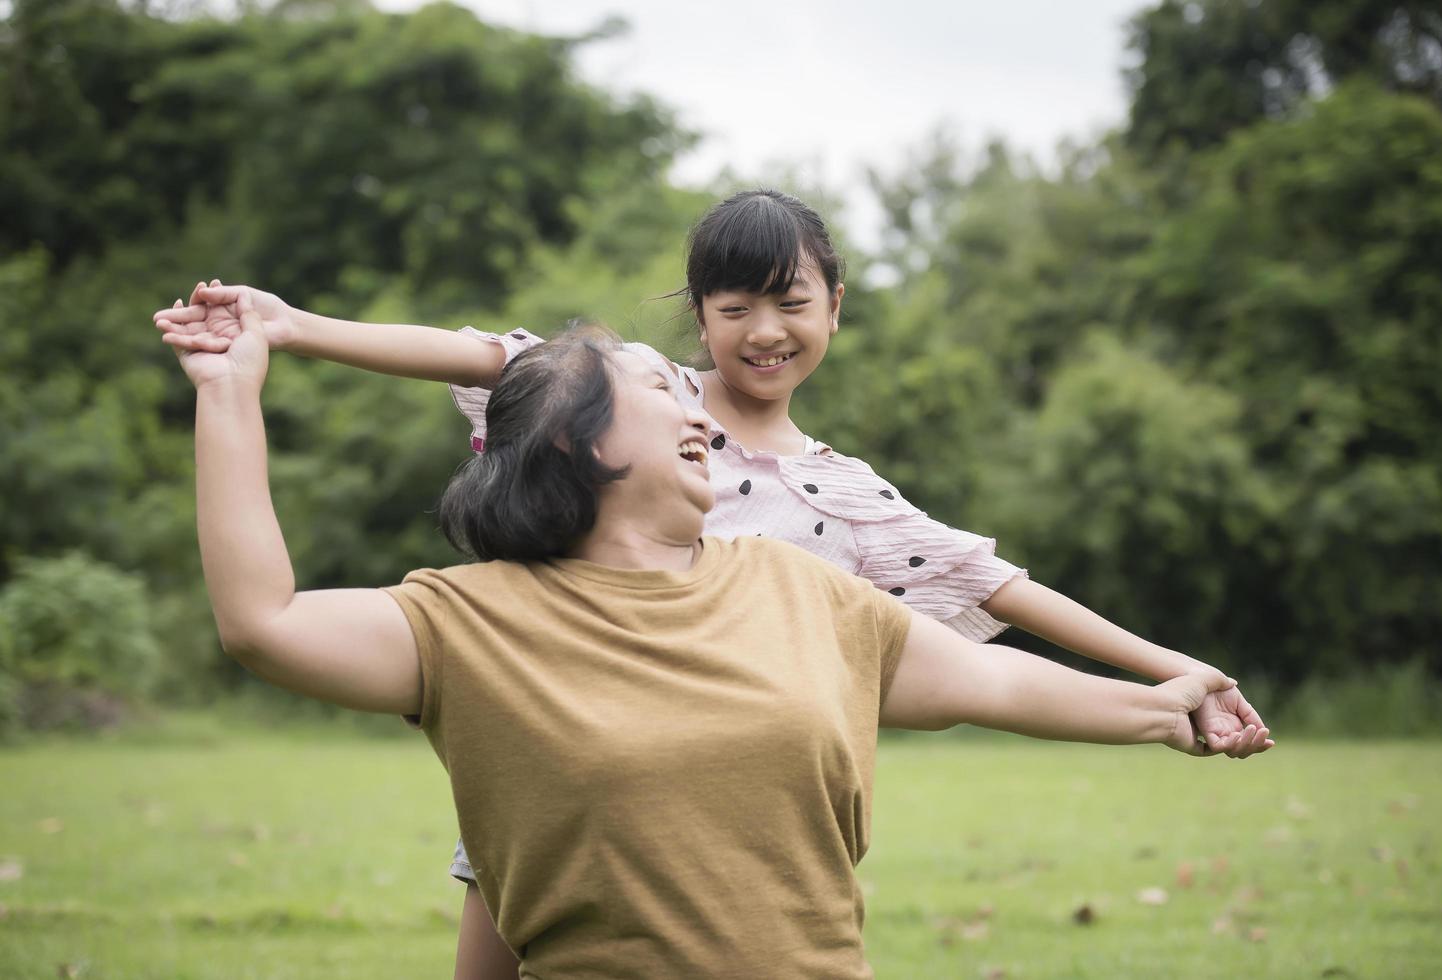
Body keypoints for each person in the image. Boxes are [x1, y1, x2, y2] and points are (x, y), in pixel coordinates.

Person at [155, 189, 1271, 977]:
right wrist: (257, 360)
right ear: (573, 442)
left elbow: (996, 644)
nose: (702, 397)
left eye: (788, 302)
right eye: (676, 361)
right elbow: (267, 615)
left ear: (834, 304)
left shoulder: (813, 564)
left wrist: (1166, 691)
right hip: (553, 797)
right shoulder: (477, 618)